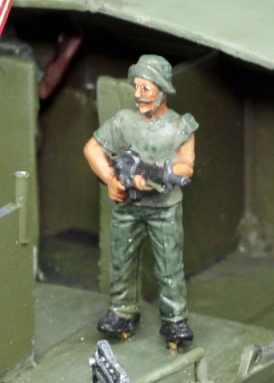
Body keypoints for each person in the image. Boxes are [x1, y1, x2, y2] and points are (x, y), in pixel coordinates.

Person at [83, 55, 197, 350]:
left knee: (169, 265)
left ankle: (174, 318)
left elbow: (186, 167)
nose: (138, 94)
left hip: (164, 208)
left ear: (162, 90)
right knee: (122, 260)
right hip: (128, 207)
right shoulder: (123, 121)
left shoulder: (179, 126)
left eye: (146, 88)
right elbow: (92, 148)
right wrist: (111, 179)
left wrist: (156, 172)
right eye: (136, 87)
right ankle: (122, 311)